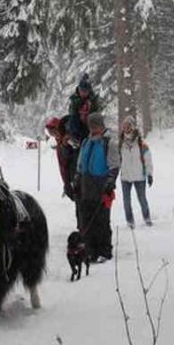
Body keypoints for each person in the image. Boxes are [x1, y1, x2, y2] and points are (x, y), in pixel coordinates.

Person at [74, 111, 120, 262]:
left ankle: (104, 251)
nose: (93, 129)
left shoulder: (109, 142)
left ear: (101, 125)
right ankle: (89, 250)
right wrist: (77, 179)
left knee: (101, 220)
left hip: (101, 185)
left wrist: (110, 182)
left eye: (96, 126)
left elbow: (114, 165)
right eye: (91, 126)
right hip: (86, 185)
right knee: (86, 219)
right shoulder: (86, 142)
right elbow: (80, 164)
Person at [118, 115, 153, 228]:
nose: (125, 128)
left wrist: (149, 174)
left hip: (139, 176)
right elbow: (117, 160)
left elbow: (148, 160)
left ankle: (147, 218)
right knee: (126, 202)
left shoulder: (141, 144)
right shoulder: (120, 144)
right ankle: (130, 221)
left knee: (142, 200)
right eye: (124, 126)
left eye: (128, 126)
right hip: (125, 177)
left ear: (132, 127)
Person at [67, 73, 102, 144]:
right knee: (73, 120)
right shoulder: (75, 100)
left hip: (90, 122)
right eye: (81, 91)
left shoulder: (92, 99)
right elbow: (72, 113)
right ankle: (76, 139)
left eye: (85, 92)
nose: (83, 93)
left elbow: (97, 111)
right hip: (78, 123)